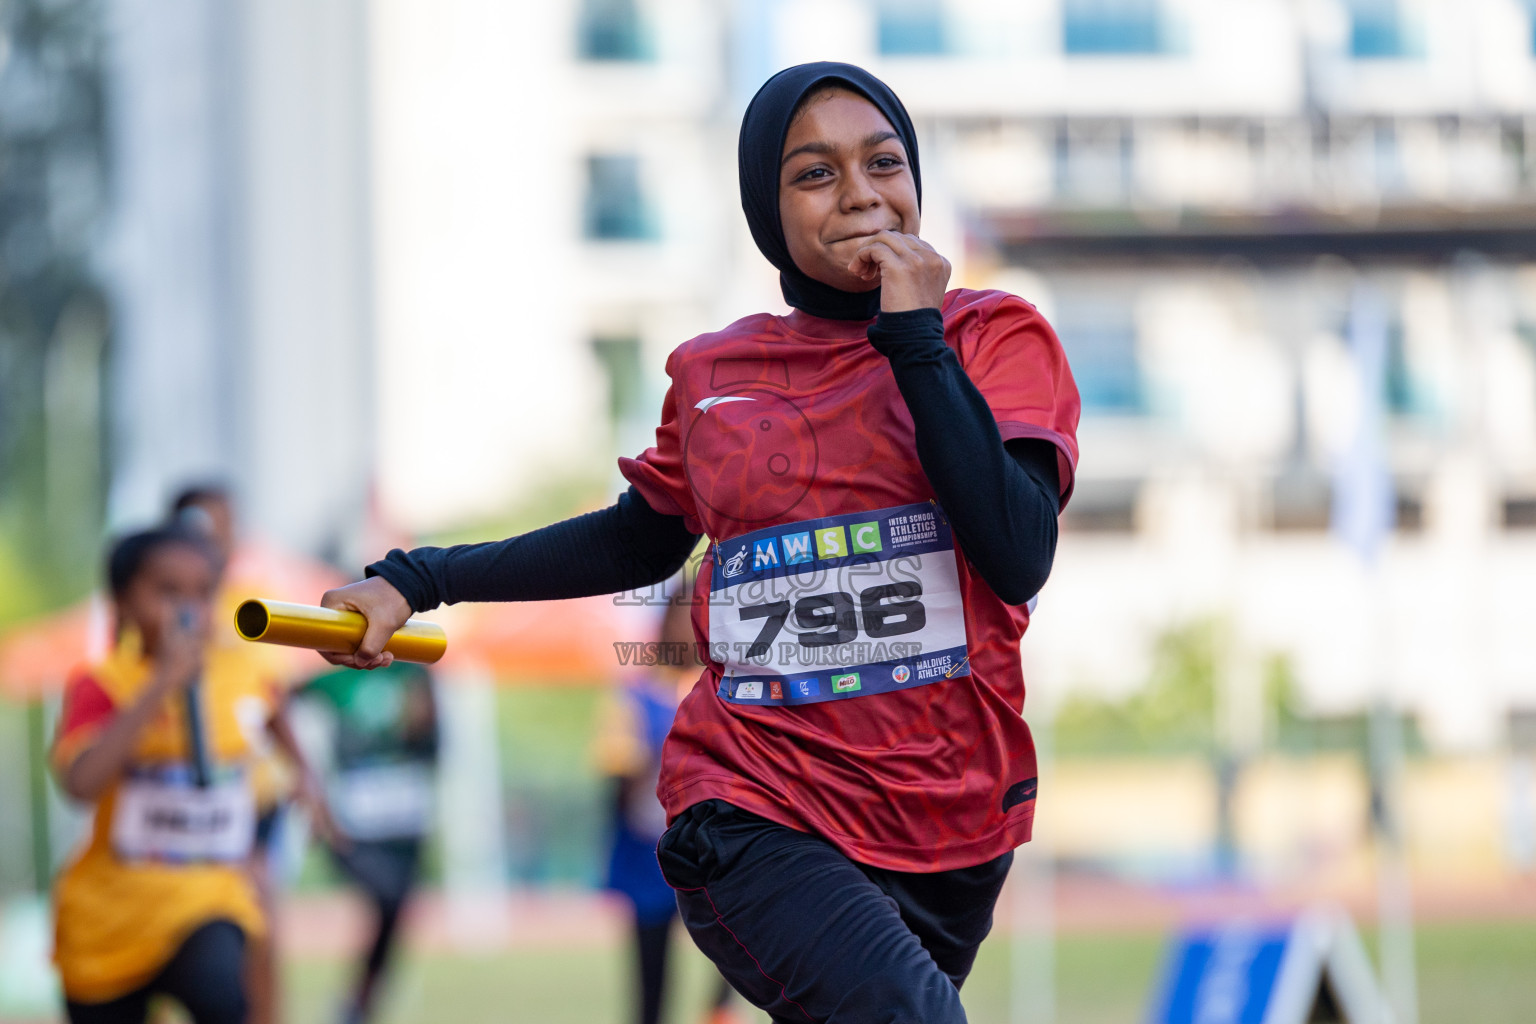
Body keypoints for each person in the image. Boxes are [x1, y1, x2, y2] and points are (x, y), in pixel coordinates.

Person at [320, 61, 1079, 1023]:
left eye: (882, 162)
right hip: (755, 807)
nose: (859, 193)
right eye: (815, 173)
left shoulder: (995, 337)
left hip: (954, 827)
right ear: (767, 210)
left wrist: (916, 337)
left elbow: (1018, 555)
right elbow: (635, 541)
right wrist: (415, 577)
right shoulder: (720, 373)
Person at [51, 527, 269, 1024]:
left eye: (203, 592)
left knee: (220, 994)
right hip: (110, 921)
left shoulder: (241, 677)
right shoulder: (102, 685)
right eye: (168, 592)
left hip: (209, 896)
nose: (188, 610)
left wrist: (305, 788)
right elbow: (81, 785)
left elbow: (274, 731)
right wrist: (160, 685)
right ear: (123, 604)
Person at [170, 484, 333, 1024]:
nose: (219, 539)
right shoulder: (155, 598)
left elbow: (273, 699)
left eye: (226, 526)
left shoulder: (250, 598)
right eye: (205, 526)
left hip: (249, 794)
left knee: (258, 921)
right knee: (179, 934)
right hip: (176, 791)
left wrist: (308, 779)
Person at [595, 587, 742, 1024]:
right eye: (684, 615)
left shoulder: (725, 688)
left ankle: (719, 1014)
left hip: (720, 849)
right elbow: (617, 773)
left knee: (738, 954)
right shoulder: (635, 694)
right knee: (652, 974)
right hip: (650, 849)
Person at [292, 661, 439, 1024]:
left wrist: (422, 721)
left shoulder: (415, 673)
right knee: (386, 898)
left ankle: (360, 1003)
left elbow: (434, 745)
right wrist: (301, 773)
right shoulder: (336, 678)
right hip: (353, 823)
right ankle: (357, 1003)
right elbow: (276, 697)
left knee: (393, 917)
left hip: (405, 826)